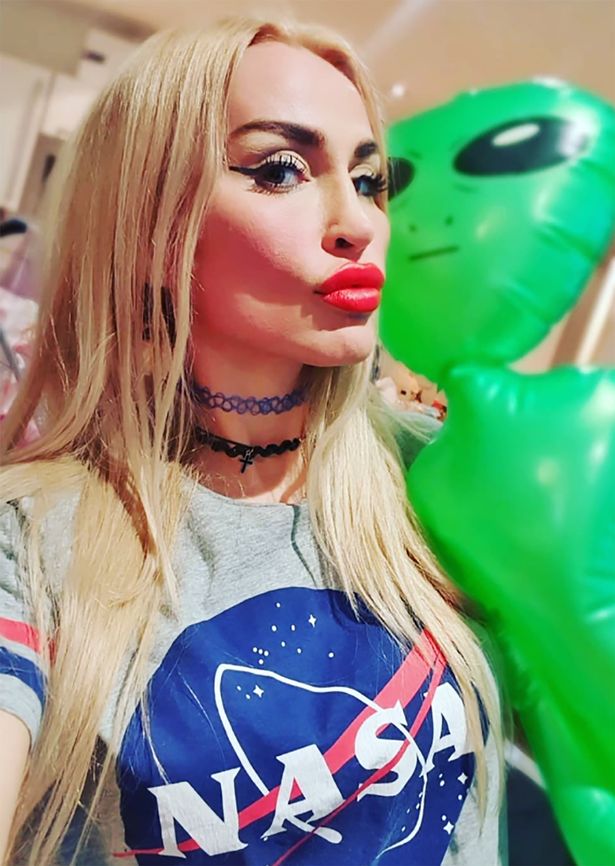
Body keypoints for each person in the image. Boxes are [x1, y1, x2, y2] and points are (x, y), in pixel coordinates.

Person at [0, 18, 505, 866]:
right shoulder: (32, 535)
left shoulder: (445, 477)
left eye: (369, 180)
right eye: (279, 169)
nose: (356, 222)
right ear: (152, 224)